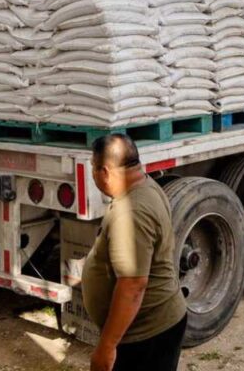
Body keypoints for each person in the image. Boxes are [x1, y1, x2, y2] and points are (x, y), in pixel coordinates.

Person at [82, 134, 187, 371]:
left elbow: (133, 285)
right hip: (152, 327)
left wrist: (107, 346)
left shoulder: (132, 212)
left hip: (146, 334)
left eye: (93, 168)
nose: (92, 174)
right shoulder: (145, 186)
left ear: (106, 172)